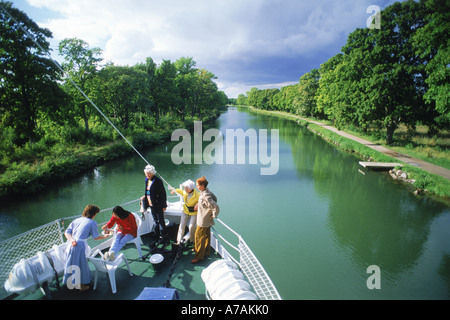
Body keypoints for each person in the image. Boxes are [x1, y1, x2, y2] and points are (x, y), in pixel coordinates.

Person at [63, 204, 110, 291]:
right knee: (80, 264)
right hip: (79, 246)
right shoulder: (92, 223)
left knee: (71, 263)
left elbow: (67, 232)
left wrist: (72, 240)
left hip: (70, 244)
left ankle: (70, 283)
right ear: (93, 214)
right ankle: (80, 286)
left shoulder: (77, 220)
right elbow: (96, 237)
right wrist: (105, 236)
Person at [191, 176, 219, 264]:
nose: (196, 187)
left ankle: (199, 256)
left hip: (202, 220)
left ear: (202, 185)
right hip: (206, 219)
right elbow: (215, 199)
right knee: (206, 236)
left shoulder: (205, 195)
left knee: (198, 237)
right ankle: (206, 252)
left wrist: (214, 214)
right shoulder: (206, 191)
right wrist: (199, 205)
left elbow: (215, 206)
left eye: (198, 185)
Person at [140, 164, 167, 239]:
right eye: (146, 173)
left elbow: (163, 194)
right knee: (155, 220)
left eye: (148, 173)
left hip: (158, 204)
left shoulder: (158, 181)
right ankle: (156, 234)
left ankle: (163, 235)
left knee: (161, 220)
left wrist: (164, 206)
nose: (147, 175)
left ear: (152, 173)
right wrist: (145, 197)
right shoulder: (147, 180)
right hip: (151, 204)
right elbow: (148, 190)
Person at [170, 179, 200, 245]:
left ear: (191, 188)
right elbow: (179, 191)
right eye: (185, 188)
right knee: (182, 224)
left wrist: (198, 204)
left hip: (194, 212)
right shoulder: (185, 192)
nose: (185, 190)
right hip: (185, 210)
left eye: (186, 189)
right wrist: (174, 190)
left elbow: (203, 200)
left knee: (191, 227)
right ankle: (178, 240)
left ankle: (192, 240)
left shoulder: (197, 195)